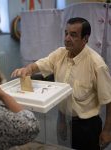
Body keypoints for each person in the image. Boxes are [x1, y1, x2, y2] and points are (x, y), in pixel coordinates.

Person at [11, 17, 111, 150]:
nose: (67, 38)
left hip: (87, 126)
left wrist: (107, 131)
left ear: (85, 39)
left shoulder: (97, 65)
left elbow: (109, 101)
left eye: (73, 35)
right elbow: (42, 64)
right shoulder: (60, 54)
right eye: (66, 33)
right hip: (64, 120)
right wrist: (27, 69)